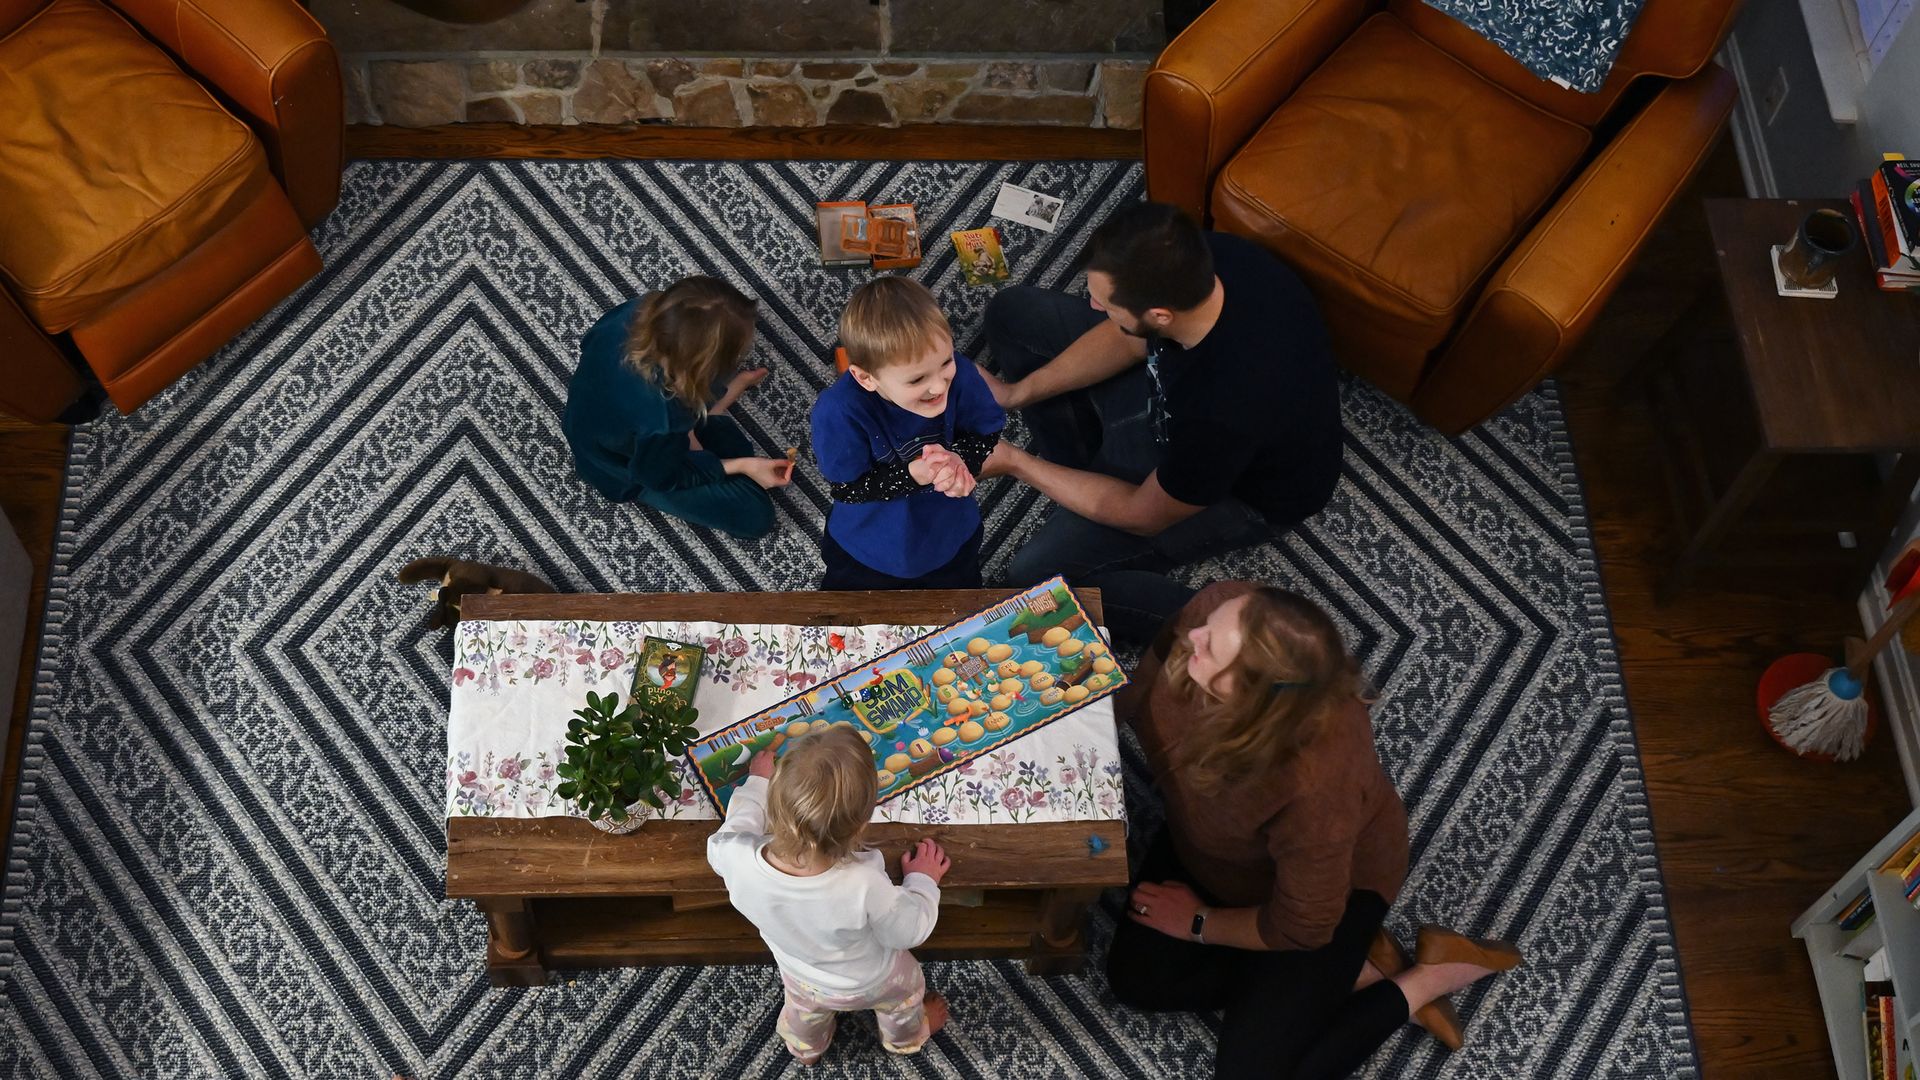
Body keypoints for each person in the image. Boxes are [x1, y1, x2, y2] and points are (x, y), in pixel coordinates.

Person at [1107, 581, 1523, 1079]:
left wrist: (1200, 923)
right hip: (1208, 847)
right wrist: (1107, 712)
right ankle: (1353, 971)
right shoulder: (1224, 608)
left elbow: (1302, 926)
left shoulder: (1313, 786)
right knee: (1136, 980)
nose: (1193, 633)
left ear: (1251, 702)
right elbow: (1159, 650)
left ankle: (1426, 979)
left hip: (1318, 896)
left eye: (1209, 646)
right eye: (1207, 627)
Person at [977, 202, 1341, 602]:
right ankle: (1084, 475)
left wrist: (1016, 463)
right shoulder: (1210, 257)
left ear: (1161, 315)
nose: (1094, 306)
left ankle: (1195, 621)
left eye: (1106, 304)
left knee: (1033, 577)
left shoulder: (1226, 410)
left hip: (1239, 494)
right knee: (1011, 313)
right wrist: (1017, 394)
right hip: (1171, 403)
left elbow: (1141, 515)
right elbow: (1129, 338)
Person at [706, 726, 953, 1066]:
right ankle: (907, 1039)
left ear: (775, 803)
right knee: (907, 995)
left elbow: (736, 826)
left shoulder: (732, 855)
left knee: (803, 1012)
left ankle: (806, 1049)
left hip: (801, 975)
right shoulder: (863, 881)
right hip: (877, 980)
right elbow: (908, 930)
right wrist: (923, 881)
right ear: (860, 826)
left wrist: (758, 784)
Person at [563, 276, 793, 540]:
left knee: (725, 449)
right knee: (755, 514)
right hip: (616, 467)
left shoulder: (634, 311)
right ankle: (712, 417)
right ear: (699, 368)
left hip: (595, 422)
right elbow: (657, 478)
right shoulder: (662, 418)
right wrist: (741, 466)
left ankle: (707, 419)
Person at [810, 277, 1004, 590]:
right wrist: (914, 475)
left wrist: (961, 460)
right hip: (867, 548)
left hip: (950, 536)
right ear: (865, 378)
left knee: (959, 608)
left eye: (945, 362)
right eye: (916, 380)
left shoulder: (962, 374)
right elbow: (848, 489)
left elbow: (986, 432)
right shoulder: (838, 411)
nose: (940, 385)